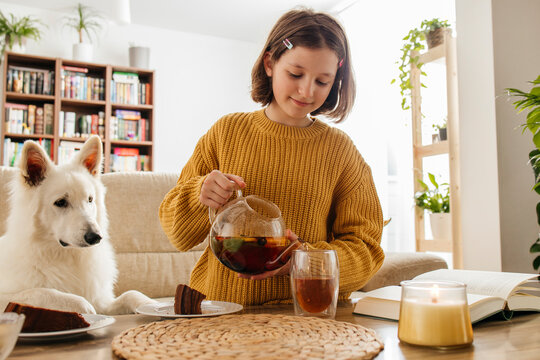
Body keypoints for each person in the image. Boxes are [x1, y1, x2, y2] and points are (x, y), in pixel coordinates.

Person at [159, 8, 384, 306]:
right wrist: (201, 194)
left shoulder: (341, 152)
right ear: (269, 63)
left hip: (304, 319)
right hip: (220, 314)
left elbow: (367, 249)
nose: (306, 90)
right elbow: (176, 232)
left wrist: (304, 261)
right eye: (295, 74)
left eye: (322, 81)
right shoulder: (227, 131)